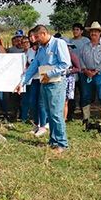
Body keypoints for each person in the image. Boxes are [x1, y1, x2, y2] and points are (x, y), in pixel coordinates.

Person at [16, 25, 71, 153]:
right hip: (44, 83)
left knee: (56, 114)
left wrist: (50, 74)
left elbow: (65, 64)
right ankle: (53, 141)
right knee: (49, 113)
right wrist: (22, 82)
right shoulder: (41, 49)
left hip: (56, 83)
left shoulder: (58, 43)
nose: (35, 39)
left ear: (44, 33)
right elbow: (33, 67)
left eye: (37, 36)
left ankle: (62, 143)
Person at [79, 21, 101, 127]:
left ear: (100, 33)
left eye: (96, 31)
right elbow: (80, 58)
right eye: (92, 31)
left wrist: (96, 71)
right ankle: (86, 118)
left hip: (99, 73)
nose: (94, 33)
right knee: (85, 95)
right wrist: (85, 70)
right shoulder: (85, 45)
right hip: (86, 73)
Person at [67, 23, 90, 120]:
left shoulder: (86, 41)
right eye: (74, 29)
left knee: (84, 93)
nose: (75, 31)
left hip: (83, 71)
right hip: (72, 72)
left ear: (81, 31)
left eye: (77, 29)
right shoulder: (70, 41)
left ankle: (84, 114)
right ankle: (70, 114)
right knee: (71, 93)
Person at [63, 44, 81, 121]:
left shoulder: (72, 55)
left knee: (65, 101)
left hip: (68, 79)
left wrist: (69, 71)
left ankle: (64, 118)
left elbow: (78, 68)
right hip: (59, 78)